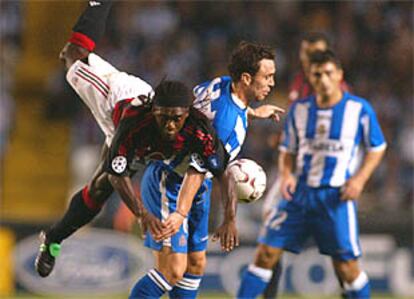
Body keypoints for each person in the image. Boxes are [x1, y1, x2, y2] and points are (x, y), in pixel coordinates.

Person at [34, 0, 231, 281]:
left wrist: (230, 218)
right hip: (113, 102)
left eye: (178, 119)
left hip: (141, 137)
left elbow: (221, 168)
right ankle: (99, 2)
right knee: (72, 53)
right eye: (164, 118)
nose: (171, 125)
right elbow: (118, 174)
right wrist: (141, 214)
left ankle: (52, 235)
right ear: (154, 113)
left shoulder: (198, 129)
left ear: (188, 116)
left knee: (98, 189)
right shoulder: (135, 124)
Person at [129, 41, 283, 299]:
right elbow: (195, 169)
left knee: (196, 264)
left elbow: (206, 113)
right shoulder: (225, 123)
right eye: (267, 77)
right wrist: (181, 212)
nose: (272, 83)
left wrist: (253, 113)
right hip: (171, 183)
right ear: (246, 78)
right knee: (172, 271)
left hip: (197, 187)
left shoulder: (224, 84)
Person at [236, 49, 386, 299]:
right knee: (265, 254)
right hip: (299, 195)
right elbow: (287, 149)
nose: (323, 79)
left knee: (347, 268)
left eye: (328, 73)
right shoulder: (300, 110)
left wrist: (359, 180)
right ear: (310, 78)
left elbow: (377, 147)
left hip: (335, 197)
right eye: (317, 74)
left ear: (339, 74)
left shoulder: (359, 109)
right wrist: (287, 175)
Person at [262, 32, 352, 299]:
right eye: (306, 53)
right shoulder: (300, 81)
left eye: (315, 53)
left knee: (337, 242)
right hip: (295, 169)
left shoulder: (338, 90)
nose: (309, 59)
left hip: (323, 174)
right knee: (271, 224)